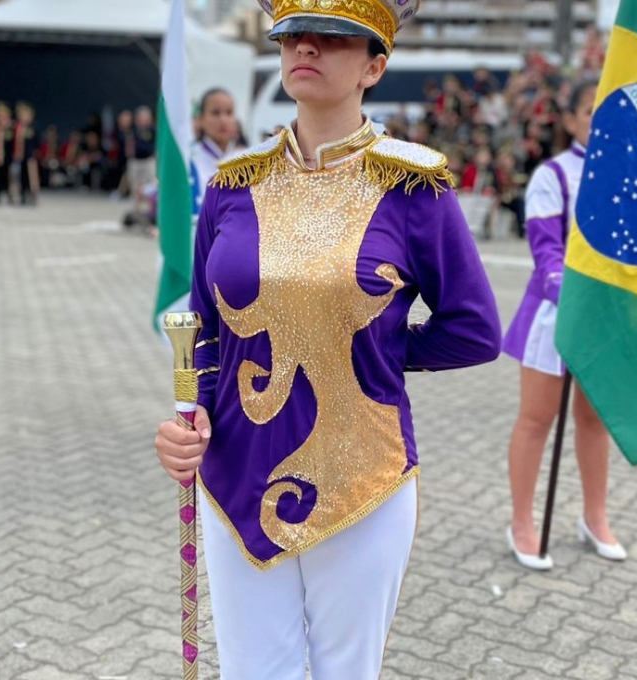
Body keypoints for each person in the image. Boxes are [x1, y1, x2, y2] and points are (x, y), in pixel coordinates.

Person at [152, 0, 501, 677]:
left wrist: (378, 345)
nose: (305, 48)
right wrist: (184, 422)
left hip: (362, 472)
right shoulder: (233, 184)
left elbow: (475, 329)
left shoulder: (412, 186)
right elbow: (205, 330)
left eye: (333, 38)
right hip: (235, 471)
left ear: (375, 64)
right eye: (292, 36)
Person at [500, 80, 626, 571]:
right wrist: (573, 299)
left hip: (607, 319)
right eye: (591, 112)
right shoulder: (552, 175)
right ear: (572, 119)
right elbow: (546, 250)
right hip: (556, 313)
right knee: (537, 418)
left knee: (595, 421)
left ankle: (595, 516)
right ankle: (522, 521)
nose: (600, 124)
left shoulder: (628, 179)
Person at [189, 88, 241, 212]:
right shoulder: (190, 160)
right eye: (215, 113)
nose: (223, 120)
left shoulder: (248, 160)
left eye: (229, 113)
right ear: (201, 119)